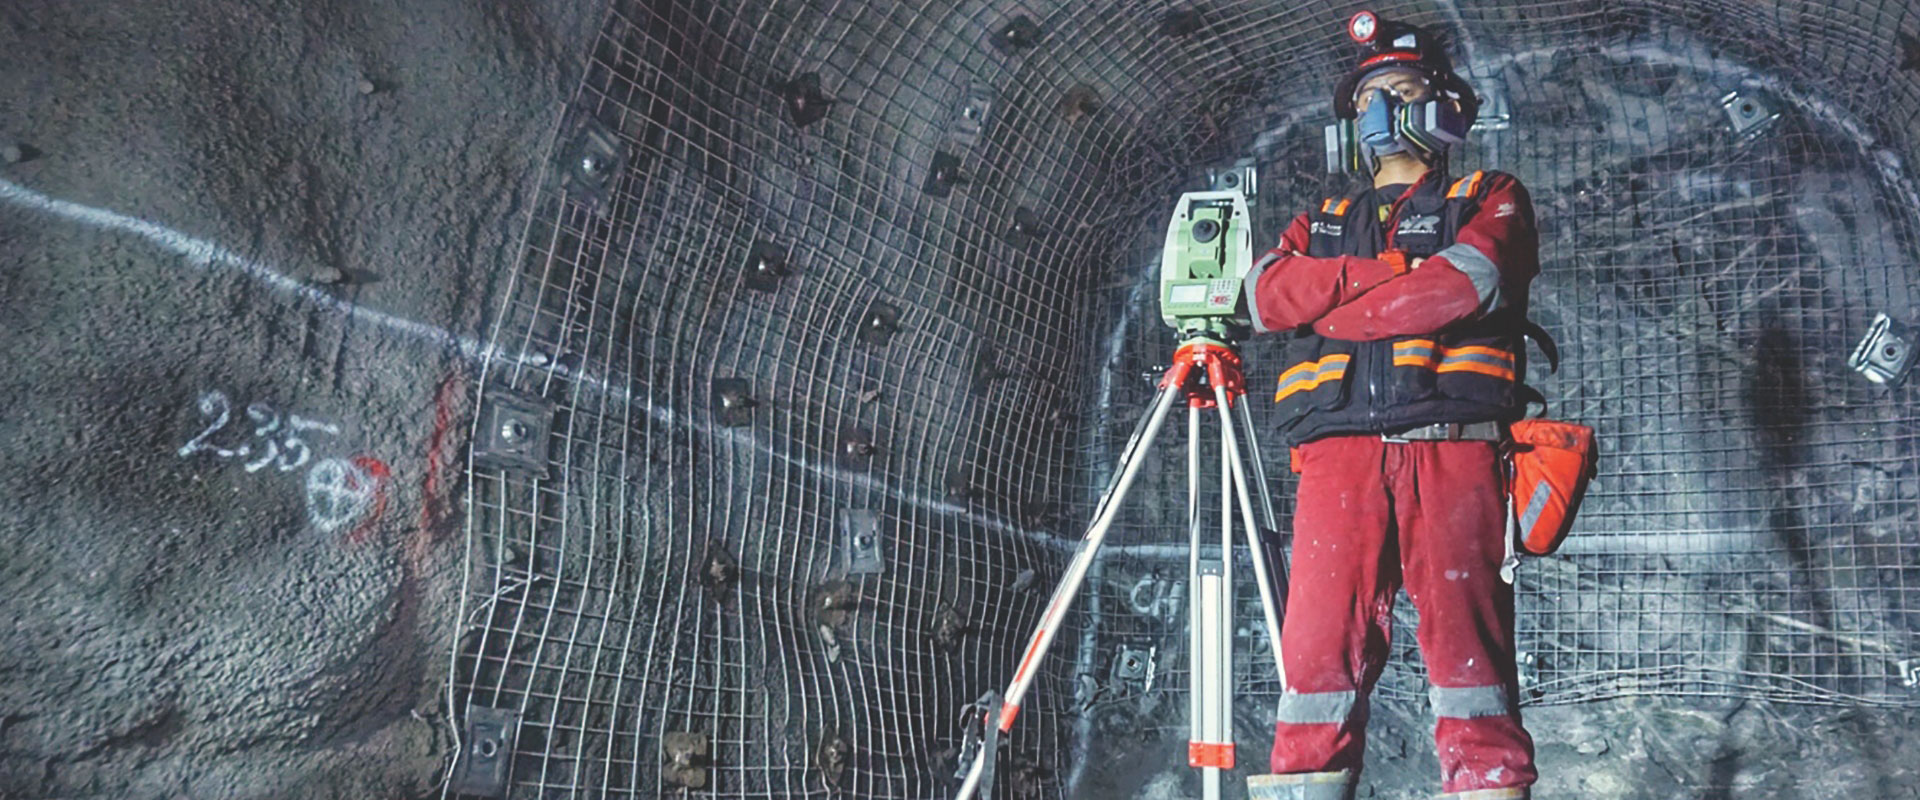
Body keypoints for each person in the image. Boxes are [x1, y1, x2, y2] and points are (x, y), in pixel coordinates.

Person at [1241, 11, 1542, 800]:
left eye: (1400, 91)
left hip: (1455, 449)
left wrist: (1332, 302)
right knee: (1313, 664)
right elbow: (1269, 296)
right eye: (1367, 98)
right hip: (1337, 462)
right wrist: (1388, 278)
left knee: (1470, 664)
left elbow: (1460, 287)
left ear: (1443, 105)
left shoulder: (1491, 194)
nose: (1380, 112)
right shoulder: (1321, 220)